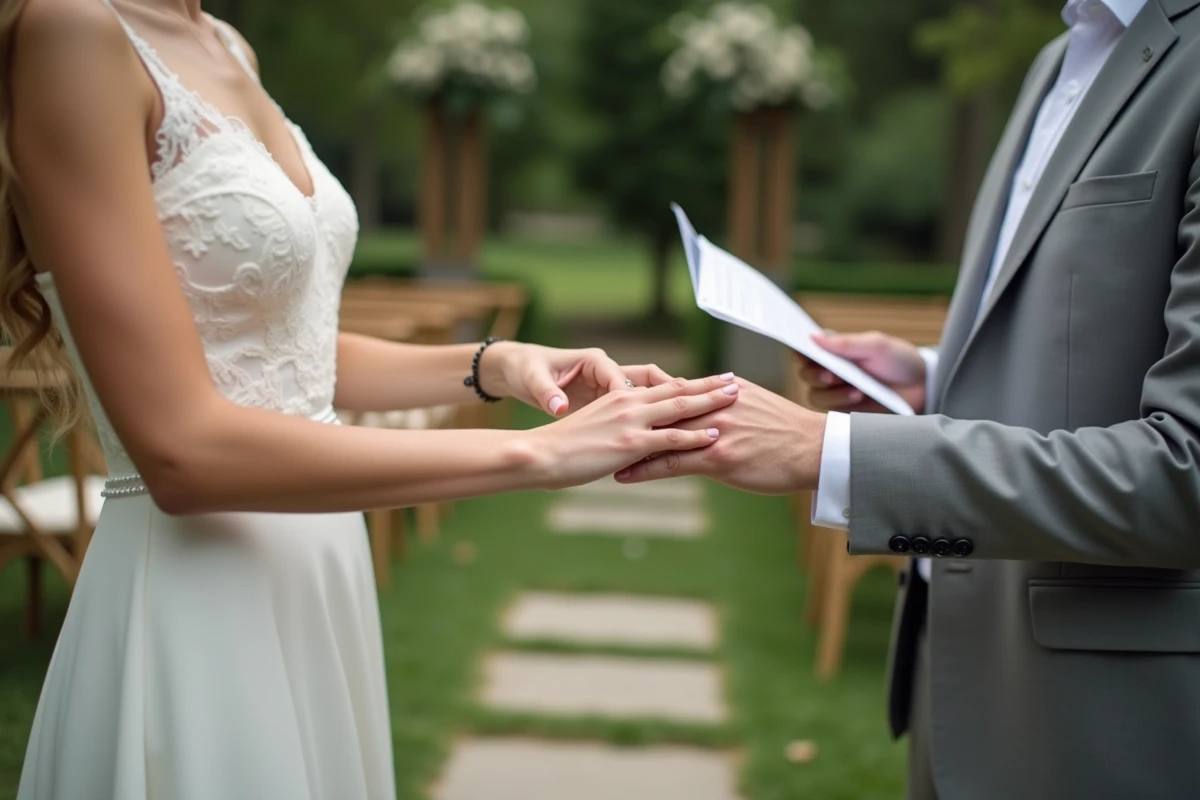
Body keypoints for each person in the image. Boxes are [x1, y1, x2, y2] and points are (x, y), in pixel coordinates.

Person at [1, 0, 740, 797]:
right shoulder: (73, 32)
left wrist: (494, 362)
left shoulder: (225, 43)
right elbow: (182, 452)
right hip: (197, 593)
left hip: (319, 569)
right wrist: (542, 453)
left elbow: (289, 353)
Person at [619, 0, 1200, 797]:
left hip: (1101, 714)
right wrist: (929, 374)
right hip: (957, 667)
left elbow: (1185, 473)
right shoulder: (1059, 59)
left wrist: (828, 452)